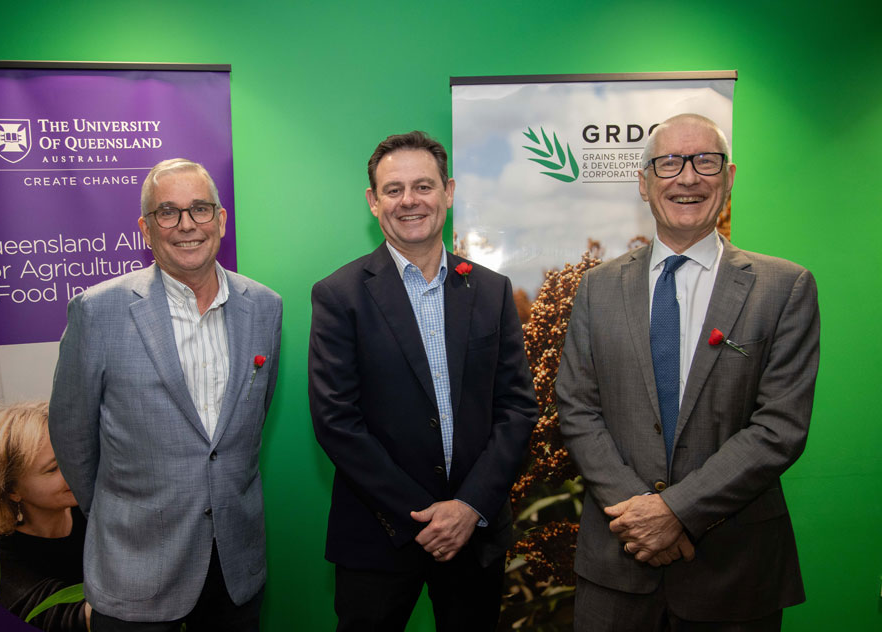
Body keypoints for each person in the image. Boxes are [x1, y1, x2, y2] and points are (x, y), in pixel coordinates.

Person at [556, 113, 820, 630]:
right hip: (616, 569)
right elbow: (578, 407)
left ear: (729, 176)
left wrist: (675, 512)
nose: (688, 177)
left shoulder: (784, 288)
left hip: (733, 575)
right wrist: (640, 515)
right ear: (644, 181)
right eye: (669, 162)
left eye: (706, 161)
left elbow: (779, 428)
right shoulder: (597, 287)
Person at [308, 131, 537, 631]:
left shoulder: (493, 290)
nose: (409, 201)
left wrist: (469, 506)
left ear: (448, 192)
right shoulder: (338, 295)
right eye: (393, 190)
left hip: (475, 534)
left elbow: (517, 408)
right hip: (379, 534)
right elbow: (335, 420)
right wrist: (427, 516)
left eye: (423, 186)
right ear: (373, 202)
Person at [49, 158, 282, 631]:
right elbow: (72, 435)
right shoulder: (98, 311)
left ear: (220, 219)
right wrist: (120, 512)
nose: (186, 225)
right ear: (145, 229)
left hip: (234, 566)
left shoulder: (264, 307)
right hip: (135, 565)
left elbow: (251, 420)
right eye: (168, 212)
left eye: (199, 209)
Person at [0, 401, 89, 632]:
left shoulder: (91, 511)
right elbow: (63, 616)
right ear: (10, 489)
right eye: (52, 468)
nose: (74, 470)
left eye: (71, 457)